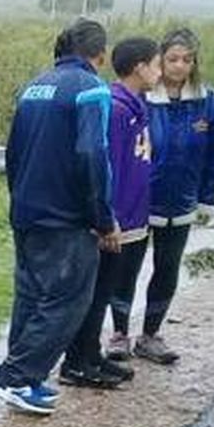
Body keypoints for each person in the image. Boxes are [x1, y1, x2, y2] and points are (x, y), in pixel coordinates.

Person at [0, 19, 119, 415]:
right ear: (101, 54)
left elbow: (13, 151)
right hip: (66, 216)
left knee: (31, 295)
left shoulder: (34, 86)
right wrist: (102, 217)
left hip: (28, 209)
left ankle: (26, 380)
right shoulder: (91, 89)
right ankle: (12, 376)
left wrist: (20, 197)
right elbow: (93, 155)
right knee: (67, 300)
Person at [106, 27, 214, 365]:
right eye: (172, 59)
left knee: (168, 267)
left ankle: (151, 334)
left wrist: (207, 198)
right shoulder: (142, 98)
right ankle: (119, 333)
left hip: (182, 200)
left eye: (187, 60)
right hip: (141, 201)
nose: (179, 66)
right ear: (160, 60)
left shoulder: (207, 101)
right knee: (126, 267)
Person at [58, 37, 161, 388]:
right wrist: (107, 219)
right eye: (157, 64)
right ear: (139, 67)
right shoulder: (116, 110)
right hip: (113, 221)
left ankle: (91, 354)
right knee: (94, 292)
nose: (160, 72)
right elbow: (106, 168)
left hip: (134, 217)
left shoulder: (138, 106)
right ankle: (75, 360)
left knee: (106, 290)